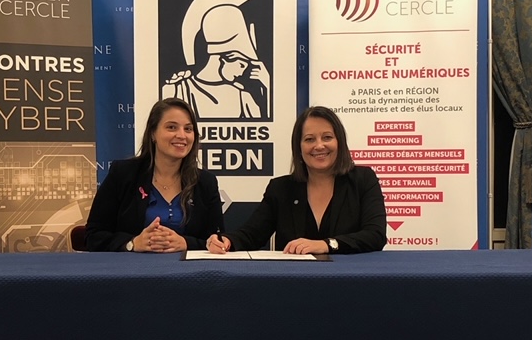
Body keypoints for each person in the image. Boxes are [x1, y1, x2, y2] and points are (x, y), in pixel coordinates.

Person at [207, 106, 387, 255]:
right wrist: (227, 241)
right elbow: (252, 234)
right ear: (298, 147)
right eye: (309, 139)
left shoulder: (363, 179)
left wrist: (326, 245)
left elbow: (375, 235)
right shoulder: (281, 188)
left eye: (327, 137)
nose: (319, 145)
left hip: (349, 279)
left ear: (339, 142)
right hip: (294, 280)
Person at [86, 97, 224, 252]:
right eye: (171, 127)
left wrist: (186, 243)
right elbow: (93, 236)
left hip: (187, 267)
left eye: (188, 129)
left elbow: (217, 240)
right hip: (131, 266)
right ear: (153, 133)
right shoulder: (123, 174)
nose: (182, 135)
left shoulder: (206, 182)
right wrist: (133, 243)